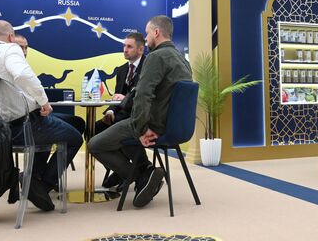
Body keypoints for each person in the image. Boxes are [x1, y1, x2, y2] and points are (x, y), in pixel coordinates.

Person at [88, 15, 192, 207]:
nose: (146, 37)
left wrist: (141, 128)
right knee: (121, 131)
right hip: (175, 127)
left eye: (147, 33)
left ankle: (140, 175)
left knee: (95, 144)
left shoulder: (155, 57)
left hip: (154, 125)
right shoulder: (183, 60)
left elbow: (143, 96)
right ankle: (145, 173)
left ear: (156, 32)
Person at [0, 20, 83, 211]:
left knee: (62, 125)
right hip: (25, 127)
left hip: (1, 130)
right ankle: (41, 184)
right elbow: (23, 75)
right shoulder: (10, 50)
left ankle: (35, 178)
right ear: (11, 37)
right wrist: (43, 101)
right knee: (75, 138)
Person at [14, 33, 86, 135]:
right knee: (76, 135)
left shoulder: (22, 67)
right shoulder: (16, 69)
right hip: (24, 121)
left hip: (34, 115)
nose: (24, 52)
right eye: (20, 48)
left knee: (77, 122)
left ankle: (43, 150)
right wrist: (44, 104)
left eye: (26, 48)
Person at [96, 32, 146, 134]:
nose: (125, 50)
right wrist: (111, 111)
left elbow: (147, 98)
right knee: (93, 128)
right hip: (121, 114)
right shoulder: (121, 70)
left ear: (140, 49)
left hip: (139, 116)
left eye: (129, 47)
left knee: (100, 130)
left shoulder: (149, 67)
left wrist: (125, 99)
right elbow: (116, 96)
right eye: (124, 46)